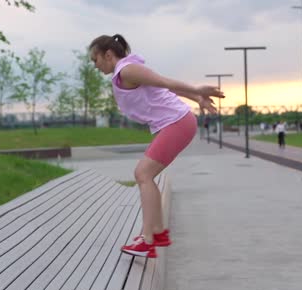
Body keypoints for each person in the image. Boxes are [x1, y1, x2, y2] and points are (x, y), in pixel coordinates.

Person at [88, 34, 224, 258]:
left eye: (95, 59)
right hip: (176, 123)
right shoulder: (124, 72)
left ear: (108, 55)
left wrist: (197, 91)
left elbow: (165, 82)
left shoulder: (127, 70)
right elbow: (165, 89)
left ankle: (148, 240)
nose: (95, 65)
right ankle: (157, 234)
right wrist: (195, 98)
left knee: (143, 174)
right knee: (144, 175)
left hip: (177, 123)